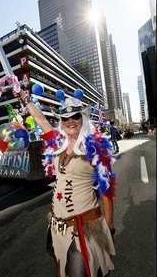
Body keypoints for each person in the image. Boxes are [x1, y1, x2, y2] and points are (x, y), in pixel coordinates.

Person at [14, 88, 117, 277]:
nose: (70, 121)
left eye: (75, 116)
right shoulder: (57, 142)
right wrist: (25, 99)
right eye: (65, 118)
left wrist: (109, 228)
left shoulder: (95, 147)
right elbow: (41, 120)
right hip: (58, 227)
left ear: (83, 119)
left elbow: (107, 191)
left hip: (84, 228)